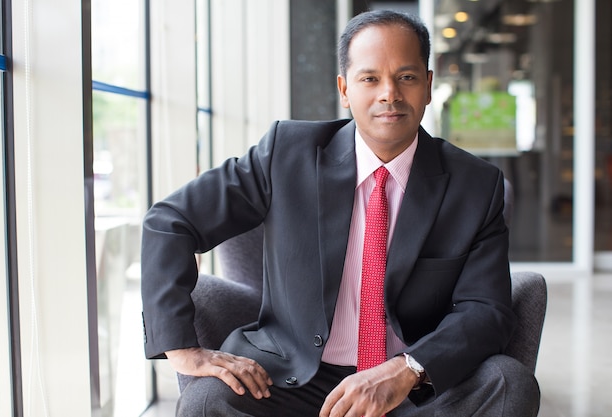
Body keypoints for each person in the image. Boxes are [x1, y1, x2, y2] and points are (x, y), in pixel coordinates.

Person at [141, 10, 540, 417]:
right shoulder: (287, 153)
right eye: (370, 79)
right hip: (289, 380)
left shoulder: (474, 184)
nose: (390, 93)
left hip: (412, 387)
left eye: (406, 77)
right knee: (208, 401)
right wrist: (181, 347)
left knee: (509, 383)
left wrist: (407, 370)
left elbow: (486, 310)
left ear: (428, 85)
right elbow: (171, 221)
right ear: (345, 89)